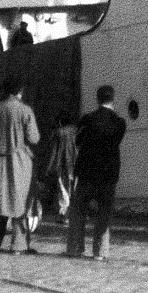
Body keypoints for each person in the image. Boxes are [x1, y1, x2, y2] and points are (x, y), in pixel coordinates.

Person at [66, 85, 126, 261]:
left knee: (78, 210)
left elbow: (78, 142)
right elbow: (116, 141)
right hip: (108, 173)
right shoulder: (119, 122)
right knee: (104, 212)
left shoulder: (87, 119)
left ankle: (75, 248)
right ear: (112, 99)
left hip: (86, 171)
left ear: (97, 98)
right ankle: (100, 251)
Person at [0, 76, 40, 253]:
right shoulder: (25, 111)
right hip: (19, 162)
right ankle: (19, 245)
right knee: (19, 202)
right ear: (20, 92)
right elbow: (34, 138)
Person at [44, 111, 78, 223]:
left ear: (59, 122)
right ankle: (76, 213)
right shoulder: (76, 130)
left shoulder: (59, 133)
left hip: (63, 164)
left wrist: (49, 167)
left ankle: (64, 215)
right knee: (75, 189)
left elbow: (54, 152)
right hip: (76, 164)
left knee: (63, 190)